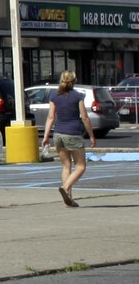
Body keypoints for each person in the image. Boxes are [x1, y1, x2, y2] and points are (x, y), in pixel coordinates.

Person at [42, 70, 95, 207]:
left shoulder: (55, 96)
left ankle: (69, 198)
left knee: (66, 166)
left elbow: (51, 117)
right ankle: (65, 188)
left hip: (58, 134)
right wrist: (91, 136)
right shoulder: (78, 96)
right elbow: (84, 117)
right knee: (81, 166)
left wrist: (46, 136)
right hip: (73, 134)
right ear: (74, 80)